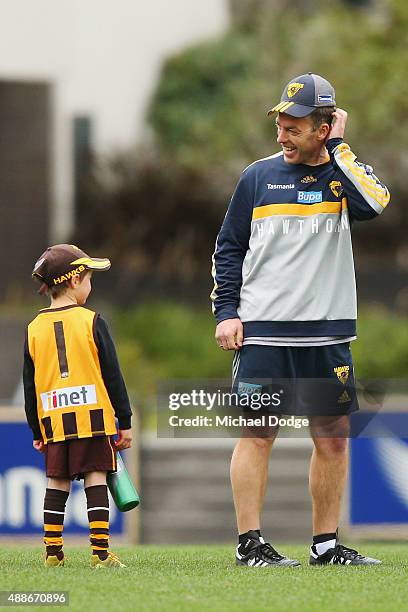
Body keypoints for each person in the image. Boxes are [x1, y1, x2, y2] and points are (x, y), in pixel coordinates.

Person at [211, 73, 389, 567]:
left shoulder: (342, 175)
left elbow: (375, 203)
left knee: (332, 439)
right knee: (258, 433)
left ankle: (326, 546)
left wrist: (339, 149)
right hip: (264, 333)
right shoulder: (255, 177)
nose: (282, 136)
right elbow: (228, 250)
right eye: (280, 125)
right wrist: (227, 312)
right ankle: (251, 545)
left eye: (294, 127)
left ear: (325, 126)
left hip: (328, 335)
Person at [23, 243, 133, 568]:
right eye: (88, 277)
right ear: (74, 281)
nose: (91, 284)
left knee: (56, 480)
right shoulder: (93, 321)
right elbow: (113, 375)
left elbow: (31, 387)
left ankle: (52, 553)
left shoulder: (32, 329)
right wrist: (124, 420)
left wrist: (36, 429)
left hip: (55, 421)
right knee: (96, 476)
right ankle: (100, 553)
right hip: (93, 418)